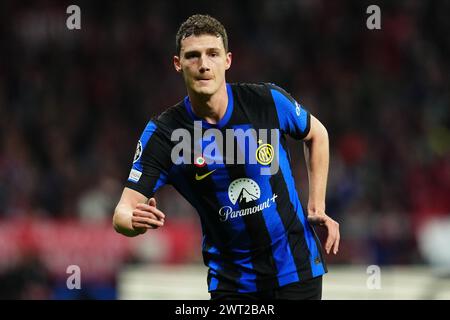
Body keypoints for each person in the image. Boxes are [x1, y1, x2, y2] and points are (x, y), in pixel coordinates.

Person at [113, 14, 339, 300]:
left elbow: (317, 134)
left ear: (228, 60)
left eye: (213, 54)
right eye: (193, 56)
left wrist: (316, 206)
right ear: (177, 64)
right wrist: (132, 222)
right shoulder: (164, 133)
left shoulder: (267, 102)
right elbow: (122, 211)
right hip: (232, 283)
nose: (204, 65)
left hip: (296, 267)